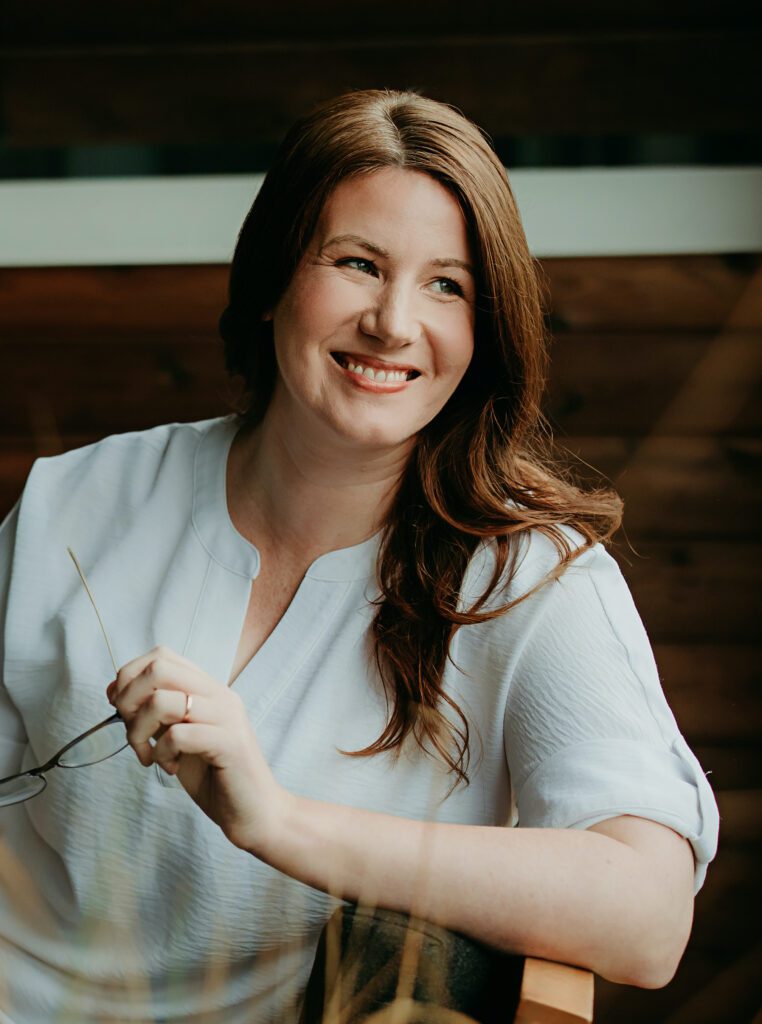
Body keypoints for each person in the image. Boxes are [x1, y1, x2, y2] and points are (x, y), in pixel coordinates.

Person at [0, 89, 718, 1024]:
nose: (392, 321)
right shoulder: (78, 497)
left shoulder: (531, 581)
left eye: (446, 285)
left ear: (483, 329)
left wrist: (279, 821)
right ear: (271, 283)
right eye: (356, 263)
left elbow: (648, 917)